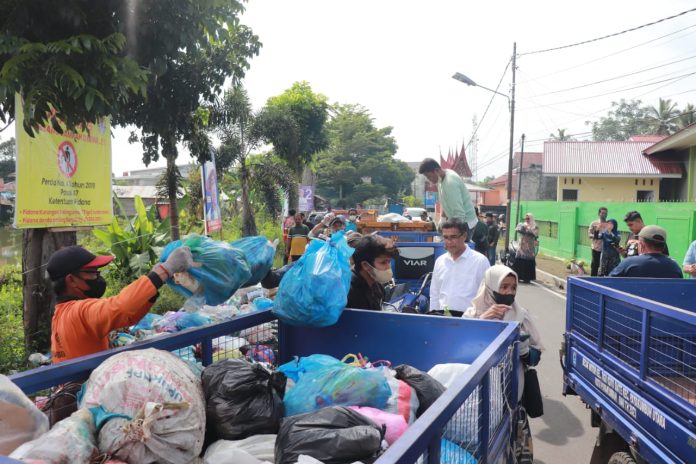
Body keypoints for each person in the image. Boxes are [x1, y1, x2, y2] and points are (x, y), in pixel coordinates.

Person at [45, 245, 192, 424]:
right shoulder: (80, 311)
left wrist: (152, 289)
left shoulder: (62, 312)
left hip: (76, 398)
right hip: (85, 402)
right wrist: (163, 271)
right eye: (92, 272)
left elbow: (124, 317)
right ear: (72, 280)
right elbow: (119, 306)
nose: (97, 277)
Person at [463, 265, 544, 460]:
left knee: (510, 443)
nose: (509, 292)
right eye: (503, 287)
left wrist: (524, 350)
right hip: (481, 399)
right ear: (490, 287)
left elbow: (536, 355)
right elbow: (464, 351)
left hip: (512, 395)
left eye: (513, 288)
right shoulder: (472, 314)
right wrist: (483, 322)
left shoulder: (521, 315)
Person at [430, 218, 490, 313]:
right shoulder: (440, 261)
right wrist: (434, 316)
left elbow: (486, 295)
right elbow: (435, 293)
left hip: (470, 320)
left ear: (464, 236)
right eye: (445, 237)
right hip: (444, 317)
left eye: (453, 237)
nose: (449, 242)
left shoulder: (480, 261)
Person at [418, 158, 477, 229]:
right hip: (456, 219)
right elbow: (446, 203)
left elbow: (459, 214)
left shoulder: (450, 183)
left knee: (452, 238)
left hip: (466, 222)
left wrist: (453, 232)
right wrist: (442, 219)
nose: (428, 179)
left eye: (429, 176)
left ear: (436, 170)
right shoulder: (441, 179)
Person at [347, 235, 400, 311]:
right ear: (365, 265)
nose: (388, 267)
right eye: (383, 262)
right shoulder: (349, 292)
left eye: (389, 261)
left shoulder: (378, 287)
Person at [609, 225, 682, 278]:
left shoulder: (629, 263)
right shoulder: (674, 266)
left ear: (641, 245)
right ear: (663, 246)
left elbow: (609, 282)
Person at [513, 213, 539, 283]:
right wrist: (520, 228)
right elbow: (518, 230)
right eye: (526, 218)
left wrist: (528, 229)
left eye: (528, 219)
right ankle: (518, 276)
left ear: (531, 219)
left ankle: (527, 278)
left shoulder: (535, 226)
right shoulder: (523, 224)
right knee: (519, 260)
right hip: (521, 246)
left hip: (529, 247)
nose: (526, 220)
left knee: (528, 262)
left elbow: (535, 234)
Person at [588, 207, 608, 276]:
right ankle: (592, 281)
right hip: (596, 248)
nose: (604, 215)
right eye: (602, 213)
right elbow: (589, 234)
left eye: (605, 213)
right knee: (594, 266)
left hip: (605, 249)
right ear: (599, 214)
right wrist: (596, 236)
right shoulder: (594, 223)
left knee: (603, 267)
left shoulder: (609, 224)